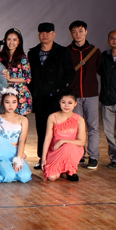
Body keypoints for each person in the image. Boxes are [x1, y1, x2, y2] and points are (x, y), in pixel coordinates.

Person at [28, 23, 75, 169]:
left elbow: (70, 73)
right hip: (40, 97)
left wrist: (61, 90)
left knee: (58, 130)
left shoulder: (62, 52)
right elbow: (29, 75)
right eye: (42, 32)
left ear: (54, 34)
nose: (45, 35)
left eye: (48, 32)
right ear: (39, 35)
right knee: (42, 129)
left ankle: (58, 158)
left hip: (56, 98)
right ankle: (42, 158)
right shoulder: (33, 53)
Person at [67, 21, 102, 170]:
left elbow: (102, 71)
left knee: (93, 127)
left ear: (86, 31)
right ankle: (80, 154)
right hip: (74, 96)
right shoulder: (67, 52)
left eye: (80, 31)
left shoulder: (95, 51)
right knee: (76, 127)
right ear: (71, 34)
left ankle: (93, 157)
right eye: (74, 32)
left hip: (91, 94)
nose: (78, 34)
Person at [42, 90, 86, 182]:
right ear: (59, 102)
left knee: (68, 146)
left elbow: (82, 142)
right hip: (55, 150)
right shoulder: (52, 117)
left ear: (75, 104)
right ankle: (62, 169)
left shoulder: (80, 119)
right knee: (51, 178)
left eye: (70, 103)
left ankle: (70, 170)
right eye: (63, 102)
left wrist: (63, 141)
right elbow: (48, 138)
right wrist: (43, 158)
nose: (66, 105)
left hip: (72, 150)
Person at [0, 88, 32, 183]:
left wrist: (18, 158)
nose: (11, 105)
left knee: (25, 176)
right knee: (9, 176)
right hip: (1, 154)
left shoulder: (23, 119)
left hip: (16, 152)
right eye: (7, 102)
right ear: (2, 103)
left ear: (18, 103)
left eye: (14, 102)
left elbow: (22, 140)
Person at [99, 30, 116, 168]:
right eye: (112, 38)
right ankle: (115, 158)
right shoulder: (104, 57)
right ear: (108, 41)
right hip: (107, 101)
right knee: (109, 133)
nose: (115, 40)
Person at [0, 28, 33, 115]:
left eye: (14, 40)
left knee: (19, 121)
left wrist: (10, 79)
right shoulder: (1, 57)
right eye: (9, 39)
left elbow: (27, 79)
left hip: (20, 94)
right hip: (5, 93)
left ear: (19, 42)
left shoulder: (22, 58)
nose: (11, 42)